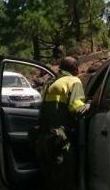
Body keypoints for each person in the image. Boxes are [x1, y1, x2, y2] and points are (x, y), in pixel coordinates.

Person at [35, 56, 89, 190]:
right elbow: (77, 109)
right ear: (76, 69)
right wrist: (91, 105)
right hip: (61, 142)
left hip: (46, 140)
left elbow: (42, 112)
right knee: (65, 181)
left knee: (51, 180)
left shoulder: (52, 84)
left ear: (61, 69)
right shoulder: (73, 81)